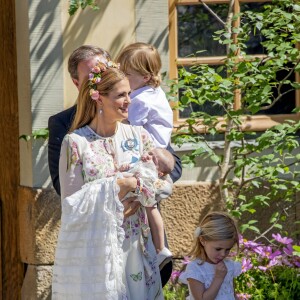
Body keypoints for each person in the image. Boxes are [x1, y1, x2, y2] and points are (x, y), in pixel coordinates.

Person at [48, 44, 182, 287]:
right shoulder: (75, 141)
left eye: (129, 93)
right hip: (99, 249)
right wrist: (118, 189)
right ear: (96, 94)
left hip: (139, 248)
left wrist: (144, 187)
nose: (130, 101)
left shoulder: (139, 134)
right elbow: (70, 201)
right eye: (122, 95)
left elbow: (166, 176)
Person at [119, 147, 175, 270]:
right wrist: (122, 169)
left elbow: (137, 176)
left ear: (160, 173)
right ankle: (160, 249)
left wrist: (123, 175)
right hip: (130, 200)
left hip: (144, 191)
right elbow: (127, 170)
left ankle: (160, 248)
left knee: (152, 208)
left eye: (153, 160)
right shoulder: (137, 162)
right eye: (149, 153)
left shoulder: (150, 171)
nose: (148, 156)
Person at [116, 42, 173, 148]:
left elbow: (129, 130)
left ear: (145, 77)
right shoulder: (153, 90)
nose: (121, 77)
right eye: (120, 72)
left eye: (126, 74)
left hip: (150, 149)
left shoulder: (140, 100)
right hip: (160, 146)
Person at [179, 211, 242, 300]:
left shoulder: (228, 265)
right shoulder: (195, 268)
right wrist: (219, 278)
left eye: (228, 249)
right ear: (203, 240)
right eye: (218, 249)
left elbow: (231, 293)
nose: (223, 254)